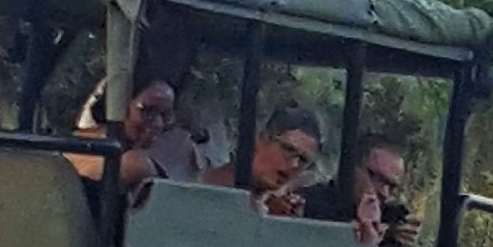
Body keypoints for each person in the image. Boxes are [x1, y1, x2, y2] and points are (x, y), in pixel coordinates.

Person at [68, 77, 203, 198]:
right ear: (119, 104)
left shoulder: (74, 143)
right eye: (148, 111)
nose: (158, 123)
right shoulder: (135, 164)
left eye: (165, 116)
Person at [303, 134, 421, 247]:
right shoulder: (309, 204)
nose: (384, 192)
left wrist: (398, 238)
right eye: (378, 179)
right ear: (352, 169)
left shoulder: (390, 218)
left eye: (391, 187)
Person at [205, 102, 322, 215]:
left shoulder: (267, 203)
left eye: (303, 160)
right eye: (288, 149)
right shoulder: (213, 190)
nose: (294, 164)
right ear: (259, 138)